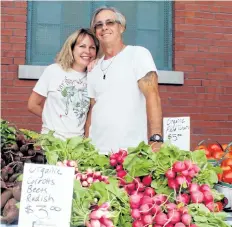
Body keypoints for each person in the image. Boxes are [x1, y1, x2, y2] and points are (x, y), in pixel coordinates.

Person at [85, 6, 163, 154]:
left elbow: (153, 96)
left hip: (130, 153)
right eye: (99, 25)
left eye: (110, 22)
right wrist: (85, 144)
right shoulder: (93, 69)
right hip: (96, 153)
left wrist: (156, 138)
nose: (104, 27)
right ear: (95, 32)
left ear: (121, 27)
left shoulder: (138, 54)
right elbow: (93, 110)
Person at [28, 28, 99, 140]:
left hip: (77, 145)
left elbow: (92, 112)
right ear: (72, 48)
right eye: (82, 46)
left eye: (92, 47)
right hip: (51, 143)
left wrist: (86, 140)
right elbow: (32, 105)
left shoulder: (94, 77)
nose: (88, 51)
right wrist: (53, 120)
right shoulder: (53, 71)